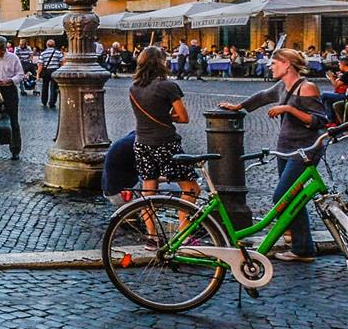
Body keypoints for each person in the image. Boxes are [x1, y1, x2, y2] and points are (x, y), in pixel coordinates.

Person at [220, 49, 327, 263]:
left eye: (274, 63)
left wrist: (288, 108)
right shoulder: (281, 86)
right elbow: (262, 97)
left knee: (283, 197)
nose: (270, 66)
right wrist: (238, 107)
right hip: (285, 148)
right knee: (294, 198)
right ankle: (302, 248)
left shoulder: (306, 88)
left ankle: (299, 244)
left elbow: (320, 120)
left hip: (304, 151)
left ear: (287, 64)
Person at [128, 46, 197, 204]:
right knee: (191, 189)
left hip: (141, 142)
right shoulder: (168, 86)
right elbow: (183, 117)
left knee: (149, 191)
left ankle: (151, 230)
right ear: (161, 63)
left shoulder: (133, 88)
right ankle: (183, 228)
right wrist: (169, 117)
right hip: (165, 143)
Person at [38, 39, 63, 108]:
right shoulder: (58, 53)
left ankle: (44, 101)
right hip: (55, 71)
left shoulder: (43, 53)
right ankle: (52, 102)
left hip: (46, 71)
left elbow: (41, 65)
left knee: (45, 86)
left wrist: (38, 74)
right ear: (54, 45)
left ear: (46, 45)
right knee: (54, 87)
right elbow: (62, 63)